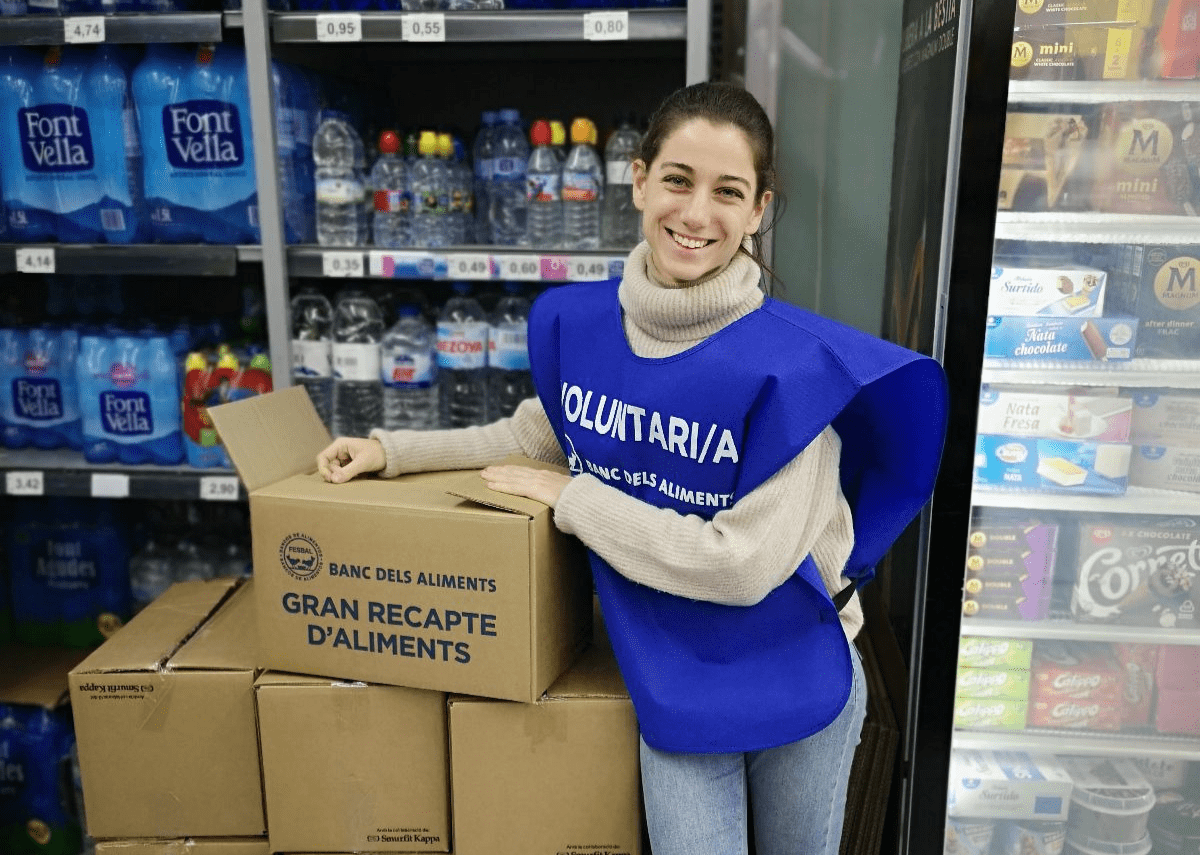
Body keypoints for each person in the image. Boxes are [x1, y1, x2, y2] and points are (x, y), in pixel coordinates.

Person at [316, 81, 948, 855]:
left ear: (758, 212)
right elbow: (535, 434)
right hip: (672, 669)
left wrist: (575, 499)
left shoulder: (792, 370)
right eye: (678, 179)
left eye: (729, 192)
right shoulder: (590, 330)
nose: (695, 213)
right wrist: (392, 450)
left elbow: (743, 564)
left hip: (793, 665)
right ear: (639, 179)